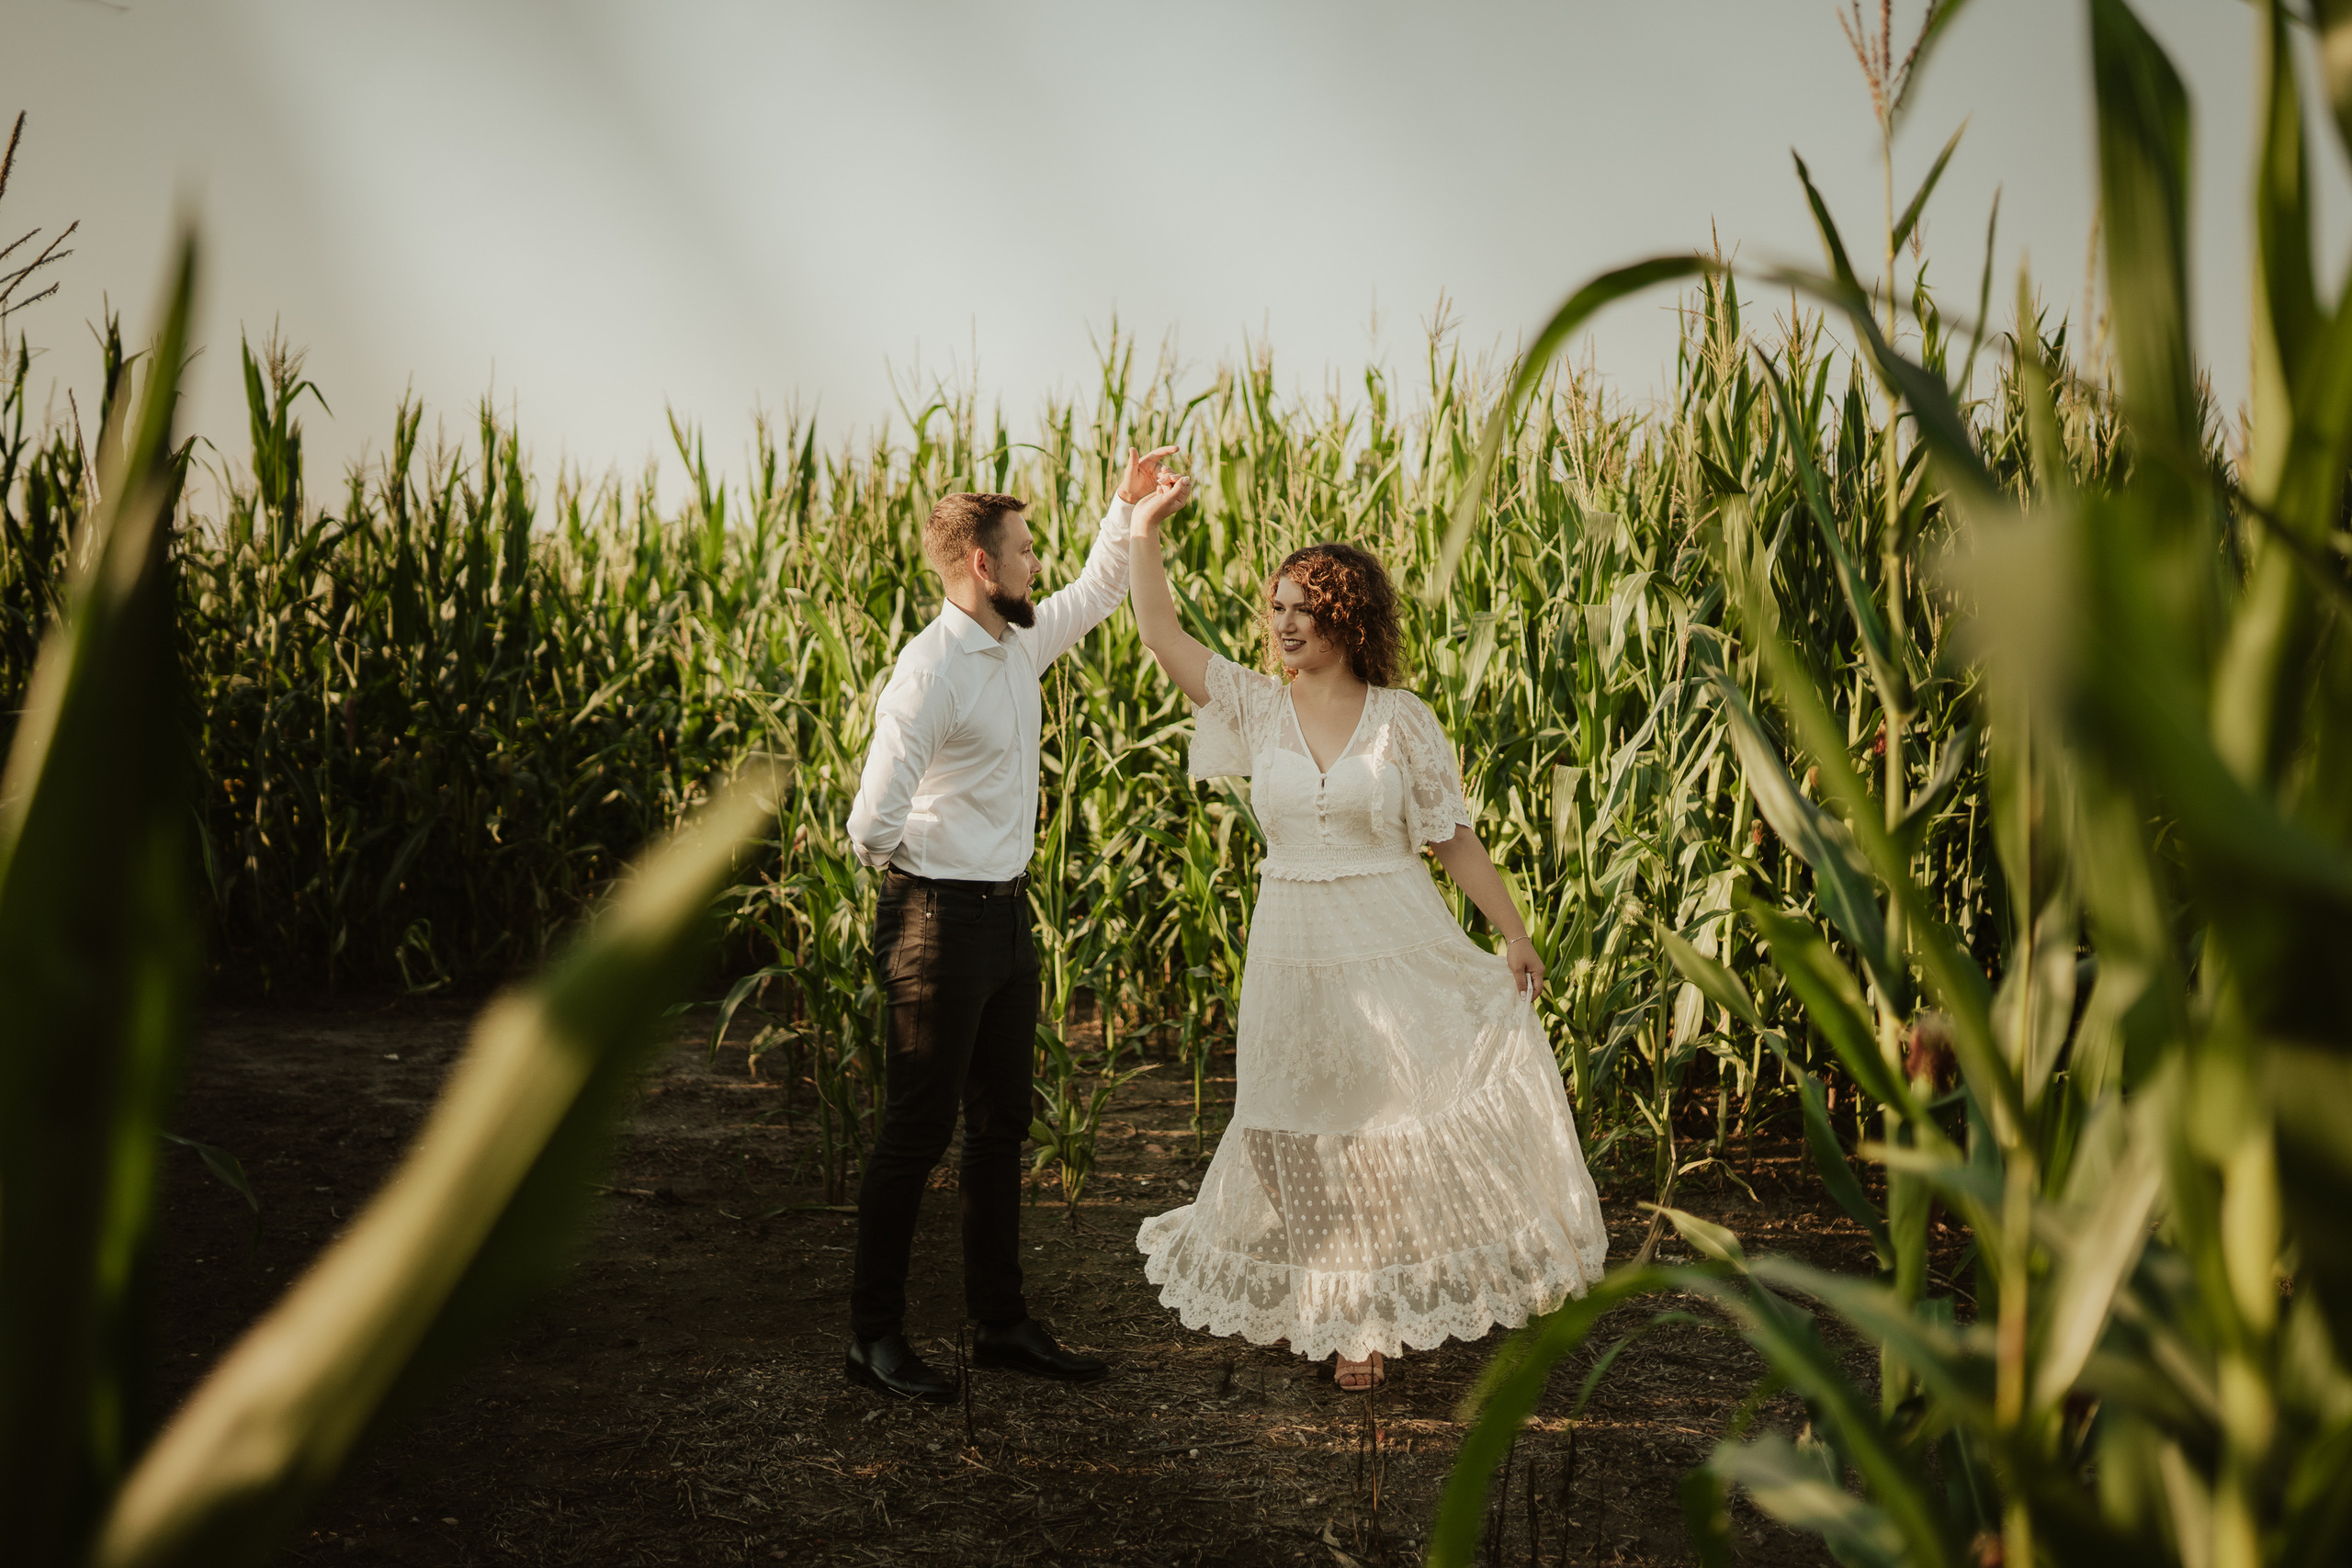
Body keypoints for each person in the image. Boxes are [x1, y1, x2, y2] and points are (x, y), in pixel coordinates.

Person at [1124, 469, 1608, 1391]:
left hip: (1389, 937)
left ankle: (1361, 1315)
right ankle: (1320, 1280)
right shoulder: (1255, 703)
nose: (1284, 624)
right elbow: (1159, 633)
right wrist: (1143, 530)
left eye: (1304, 608)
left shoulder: (1402, 722)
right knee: (1277, 1127)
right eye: (1276, 608)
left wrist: (1512, 932)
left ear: (1348, 618)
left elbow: (1451, 839)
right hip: (1289, 944)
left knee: (1374, 1125)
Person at [842, 447, 1177, 1401]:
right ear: (982, 566)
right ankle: (872, 1338)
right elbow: (869, 826)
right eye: (1025, 551)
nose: (1038, 564)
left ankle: (998, 1324)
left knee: (999, 1128)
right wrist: (935, 870)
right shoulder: (930, 671)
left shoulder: (1017, 641)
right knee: (916, 1133)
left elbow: (1102, 586)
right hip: (935, 922)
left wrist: (1126, 505)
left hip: (1003, 919)